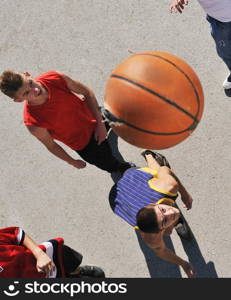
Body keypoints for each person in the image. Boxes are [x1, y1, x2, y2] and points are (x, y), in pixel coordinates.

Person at [0, 70, 132, 173]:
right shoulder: (33, 123)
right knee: (108, 162)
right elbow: (51, 146)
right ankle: (121, 168)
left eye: (30, 83)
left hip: (94, 116)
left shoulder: (55, 78)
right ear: (18, 100)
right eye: (26, 93)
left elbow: (86, 92)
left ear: (27, 74)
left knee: (123, 113)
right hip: (85, 145)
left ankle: (137, 126)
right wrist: (72, 161)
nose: (35, 89)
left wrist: (99, 124)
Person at [109, 150, 195, 278]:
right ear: (156, 232)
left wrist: (184, 194)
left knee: (155, 172)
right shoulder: (151, 238)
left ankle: (148, 155)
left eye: (163, 210)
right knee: (168, 230)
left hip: (133, 177)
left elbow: (165, 170)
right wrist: (184, 264)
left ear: (154, 204)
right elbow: (162, 251)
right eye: (164, 221)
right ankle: (171, 222)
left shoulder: (168, 186)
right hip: (117, 197)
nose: (171, 211)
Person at [0, 226, 104, 278]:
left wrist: (39, 254)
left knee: (69, 262)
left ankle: (77, 271)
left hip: (48, 257)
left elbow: (17, 235)